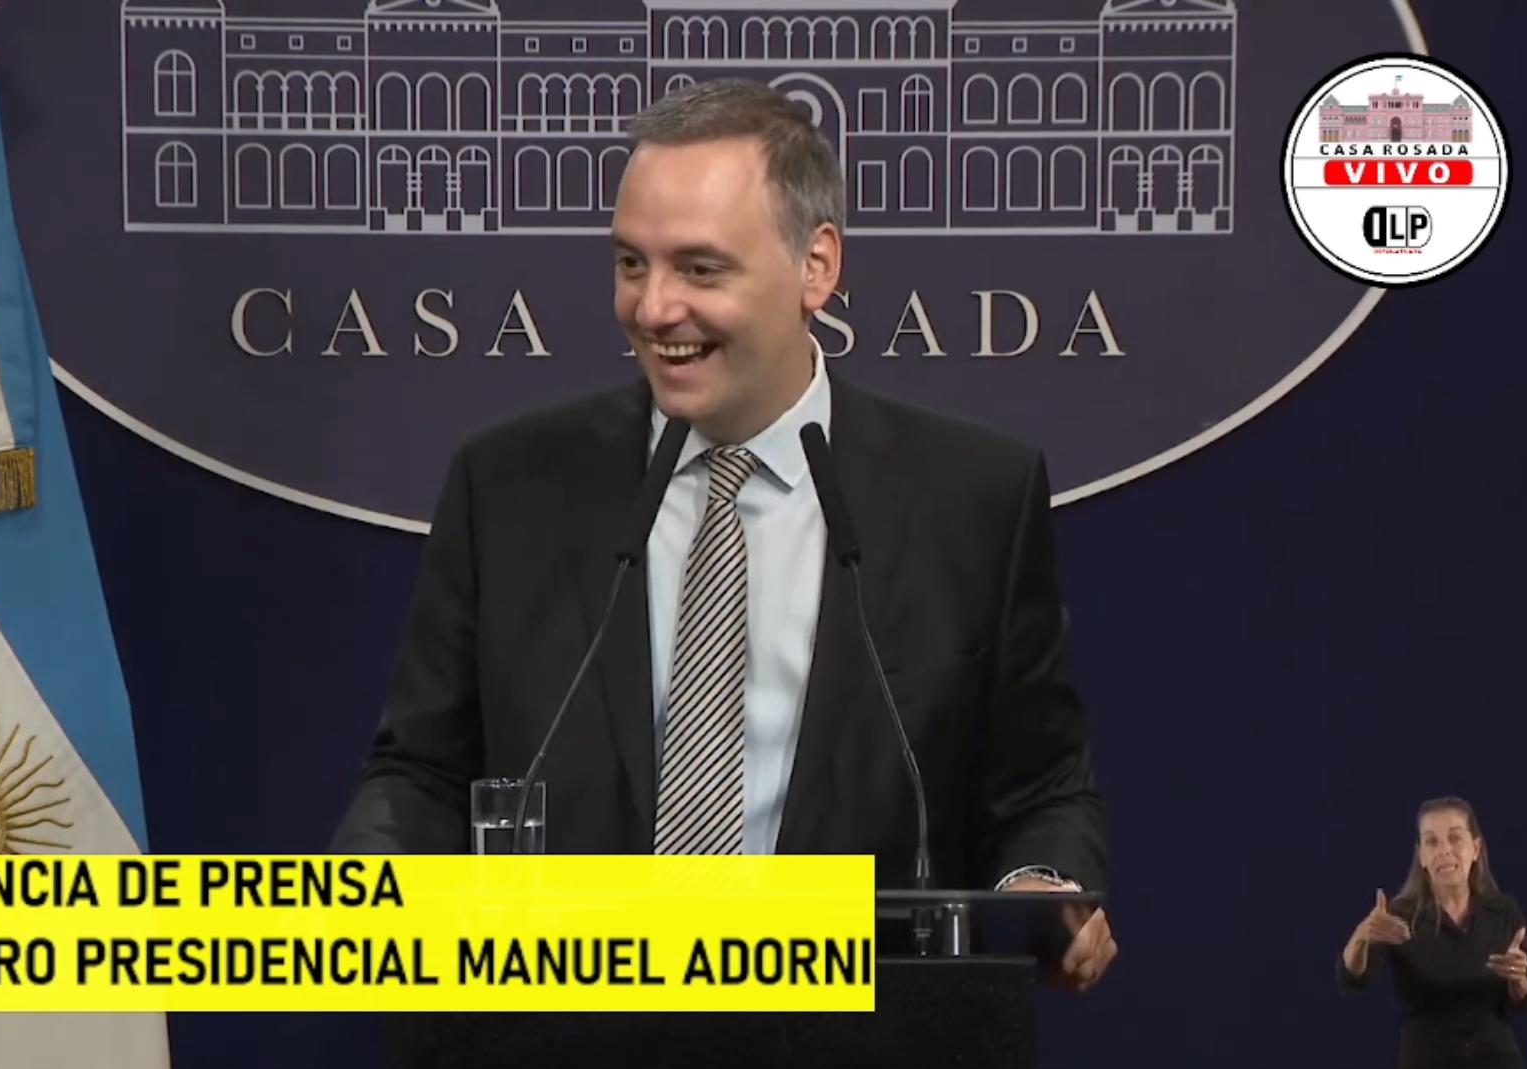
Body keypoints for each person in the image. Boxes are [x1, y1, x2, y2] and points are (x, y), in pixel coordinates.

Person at [330, 79, 1115, 990]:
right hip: (561, 1026)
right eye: (632, 264)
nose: (654, 308)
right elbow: (422, 774)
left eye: (700, 270)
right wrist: (369, 890)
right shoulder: (507, 485)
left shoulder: (970, 497)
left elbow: (1040, 790)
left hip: (866, 1032)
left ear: (816, 267)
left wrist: (1038, 889)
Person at [1339, 796, 1527, 1069]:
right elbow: (1353, 980)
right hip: (1427, 1066)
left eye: (1455, 838)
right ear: (1421, 856)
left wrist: (1518, 979)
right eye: (1432, 842)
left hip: (1496, 1063)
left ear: (1475, 849)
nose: (1444, 850)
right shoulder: (1399, 916)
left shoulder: (1503, 911)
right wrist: (1361, 937)